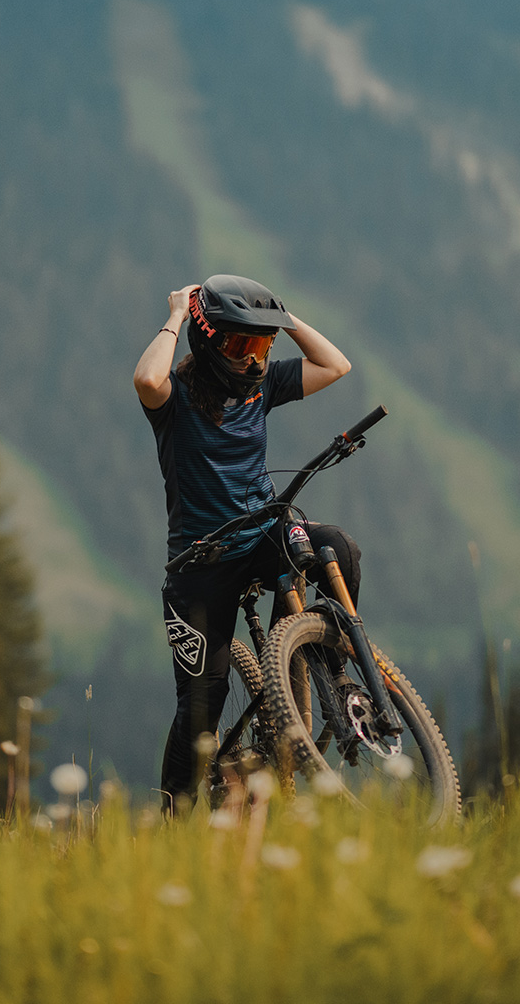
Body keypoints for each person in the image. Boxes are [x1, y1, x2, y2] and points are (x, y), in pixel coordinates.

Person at [134, 274, 355, 806]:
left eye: (263, 347)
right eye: (242, 346)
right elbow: (146, 379)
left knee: (337, 549)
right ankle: (175, 815)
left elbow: (336, 365)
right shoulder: (176, 397)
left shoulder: (261, 386)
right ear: (207, 342)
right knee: (200, 706)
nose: (255, 360)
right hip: (200, 564)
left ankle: (315, 666)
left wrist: (279, 318)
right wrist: (176, 315)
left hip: (263, 534)